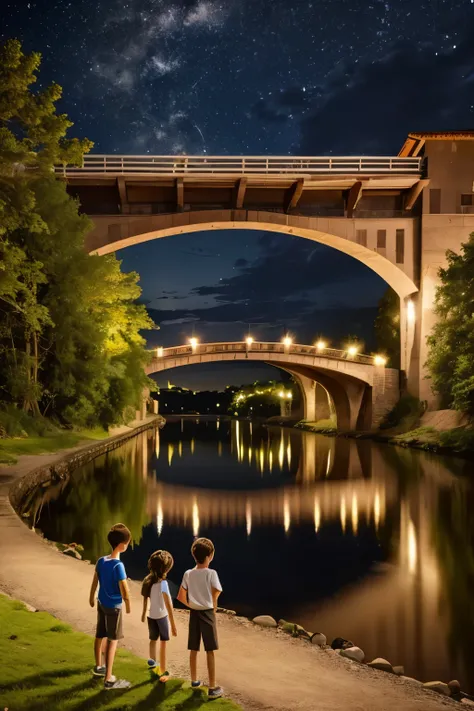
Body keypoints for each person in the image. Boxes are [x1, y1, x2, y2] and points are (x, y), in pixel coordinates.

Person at [177, 537, 223, 699]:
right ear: (210, 556)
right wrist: (212, 602)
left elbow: (181, 596)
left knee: (194, 648)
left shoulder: (188, 574)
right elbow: (217, 591)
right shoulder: (211, 573)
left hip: (194, 613)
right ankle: (212, 687)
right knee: (210, 650)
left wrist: (192, 605)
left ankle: (195, 680)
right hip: (208, 613)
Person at [89, 522, 132, 690]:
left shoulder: (101, 561)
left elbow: (95, 581)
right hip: (114, 607)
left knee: (100, 634)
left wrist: (91, 596)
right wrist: (128, 604)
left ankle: (99, 666)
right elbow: (124, 589)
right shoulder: (118, 565)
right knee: (113, 640)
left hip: (101, 603)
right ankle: (109, 679)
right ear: (122, 545)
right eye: (127, 543)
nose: (127, 545)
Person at [141, 549, 177, 682]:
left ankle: (152, 662)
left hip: (151, 616)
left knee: (152, 639)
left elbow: (146, 599)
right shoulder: (163, 584)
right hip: (162, 616)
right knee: (163, 643)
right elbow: (169, 605)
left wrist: (144, 613)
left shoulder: (148, 581)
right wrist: (173, 625)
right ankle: (162, 669)